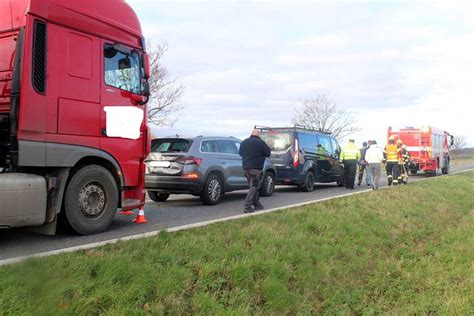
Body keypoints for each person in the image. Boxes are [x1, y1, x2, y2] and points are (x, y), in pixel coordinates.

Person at [239, 128, 271, 213]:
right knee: (254, 187)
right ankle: (247, 205)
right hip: (256, 169)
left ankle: (256, 204)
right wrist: (267, 146)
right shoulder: (261, 143)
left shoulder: (244, 142)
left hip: (246, 168)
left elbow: (240, 153)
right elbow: (268, 153)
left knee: (252, 187)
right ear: (258, 134)